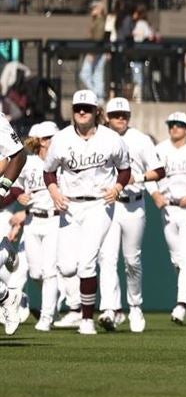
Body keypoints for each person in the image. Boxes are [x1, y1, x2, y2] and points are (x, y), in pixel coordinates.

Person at [41, 90, 131, 336]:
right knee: (67, 266)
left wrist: (118, 187)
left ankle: (87, 319)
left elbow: (125, 169)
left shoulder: (111, 138)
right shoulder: (61, 138)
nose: (82, 112)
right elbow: (48, 171)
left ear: (96, 112)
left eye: (87, 108)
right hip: (69, 205)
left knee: (86, 264)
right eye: (78, 108)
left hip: (99, 204)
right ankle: (80, 310)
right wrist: (54, 191)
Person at [95, 98, 164, 333]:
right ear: (107, 117)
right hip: (108, 204)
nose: (120, 118)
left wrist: (140, 178)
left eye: (124, 114)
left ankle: (135, 305)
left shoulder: (140, 139)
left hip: (134, 204)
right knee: (107, 258)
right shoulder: (98, 138)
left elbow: (160, 170)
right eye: (115, 114)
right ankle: (111, 309)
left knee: (132, 260)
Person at [151, 111, 186, 325]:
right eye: (171, 124)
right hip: (169, 209)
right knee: (177, 261)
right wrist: (154, 194)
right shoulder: (160, 149)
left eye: (179, 125)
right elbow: (149, 175)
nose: (175, 128)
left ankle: (181, 304)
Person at [3, 123, 58, 331]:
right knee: (36, 273)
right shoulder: (32, 163)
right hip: (33, 220)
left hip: (56, 219)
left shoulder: (60, 161)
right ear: (42, 140)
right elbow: (17, 186)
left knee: (50, 271)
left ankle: (47, 316)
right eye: (50, 137)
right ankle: (47, 306)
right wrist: (19, 196)